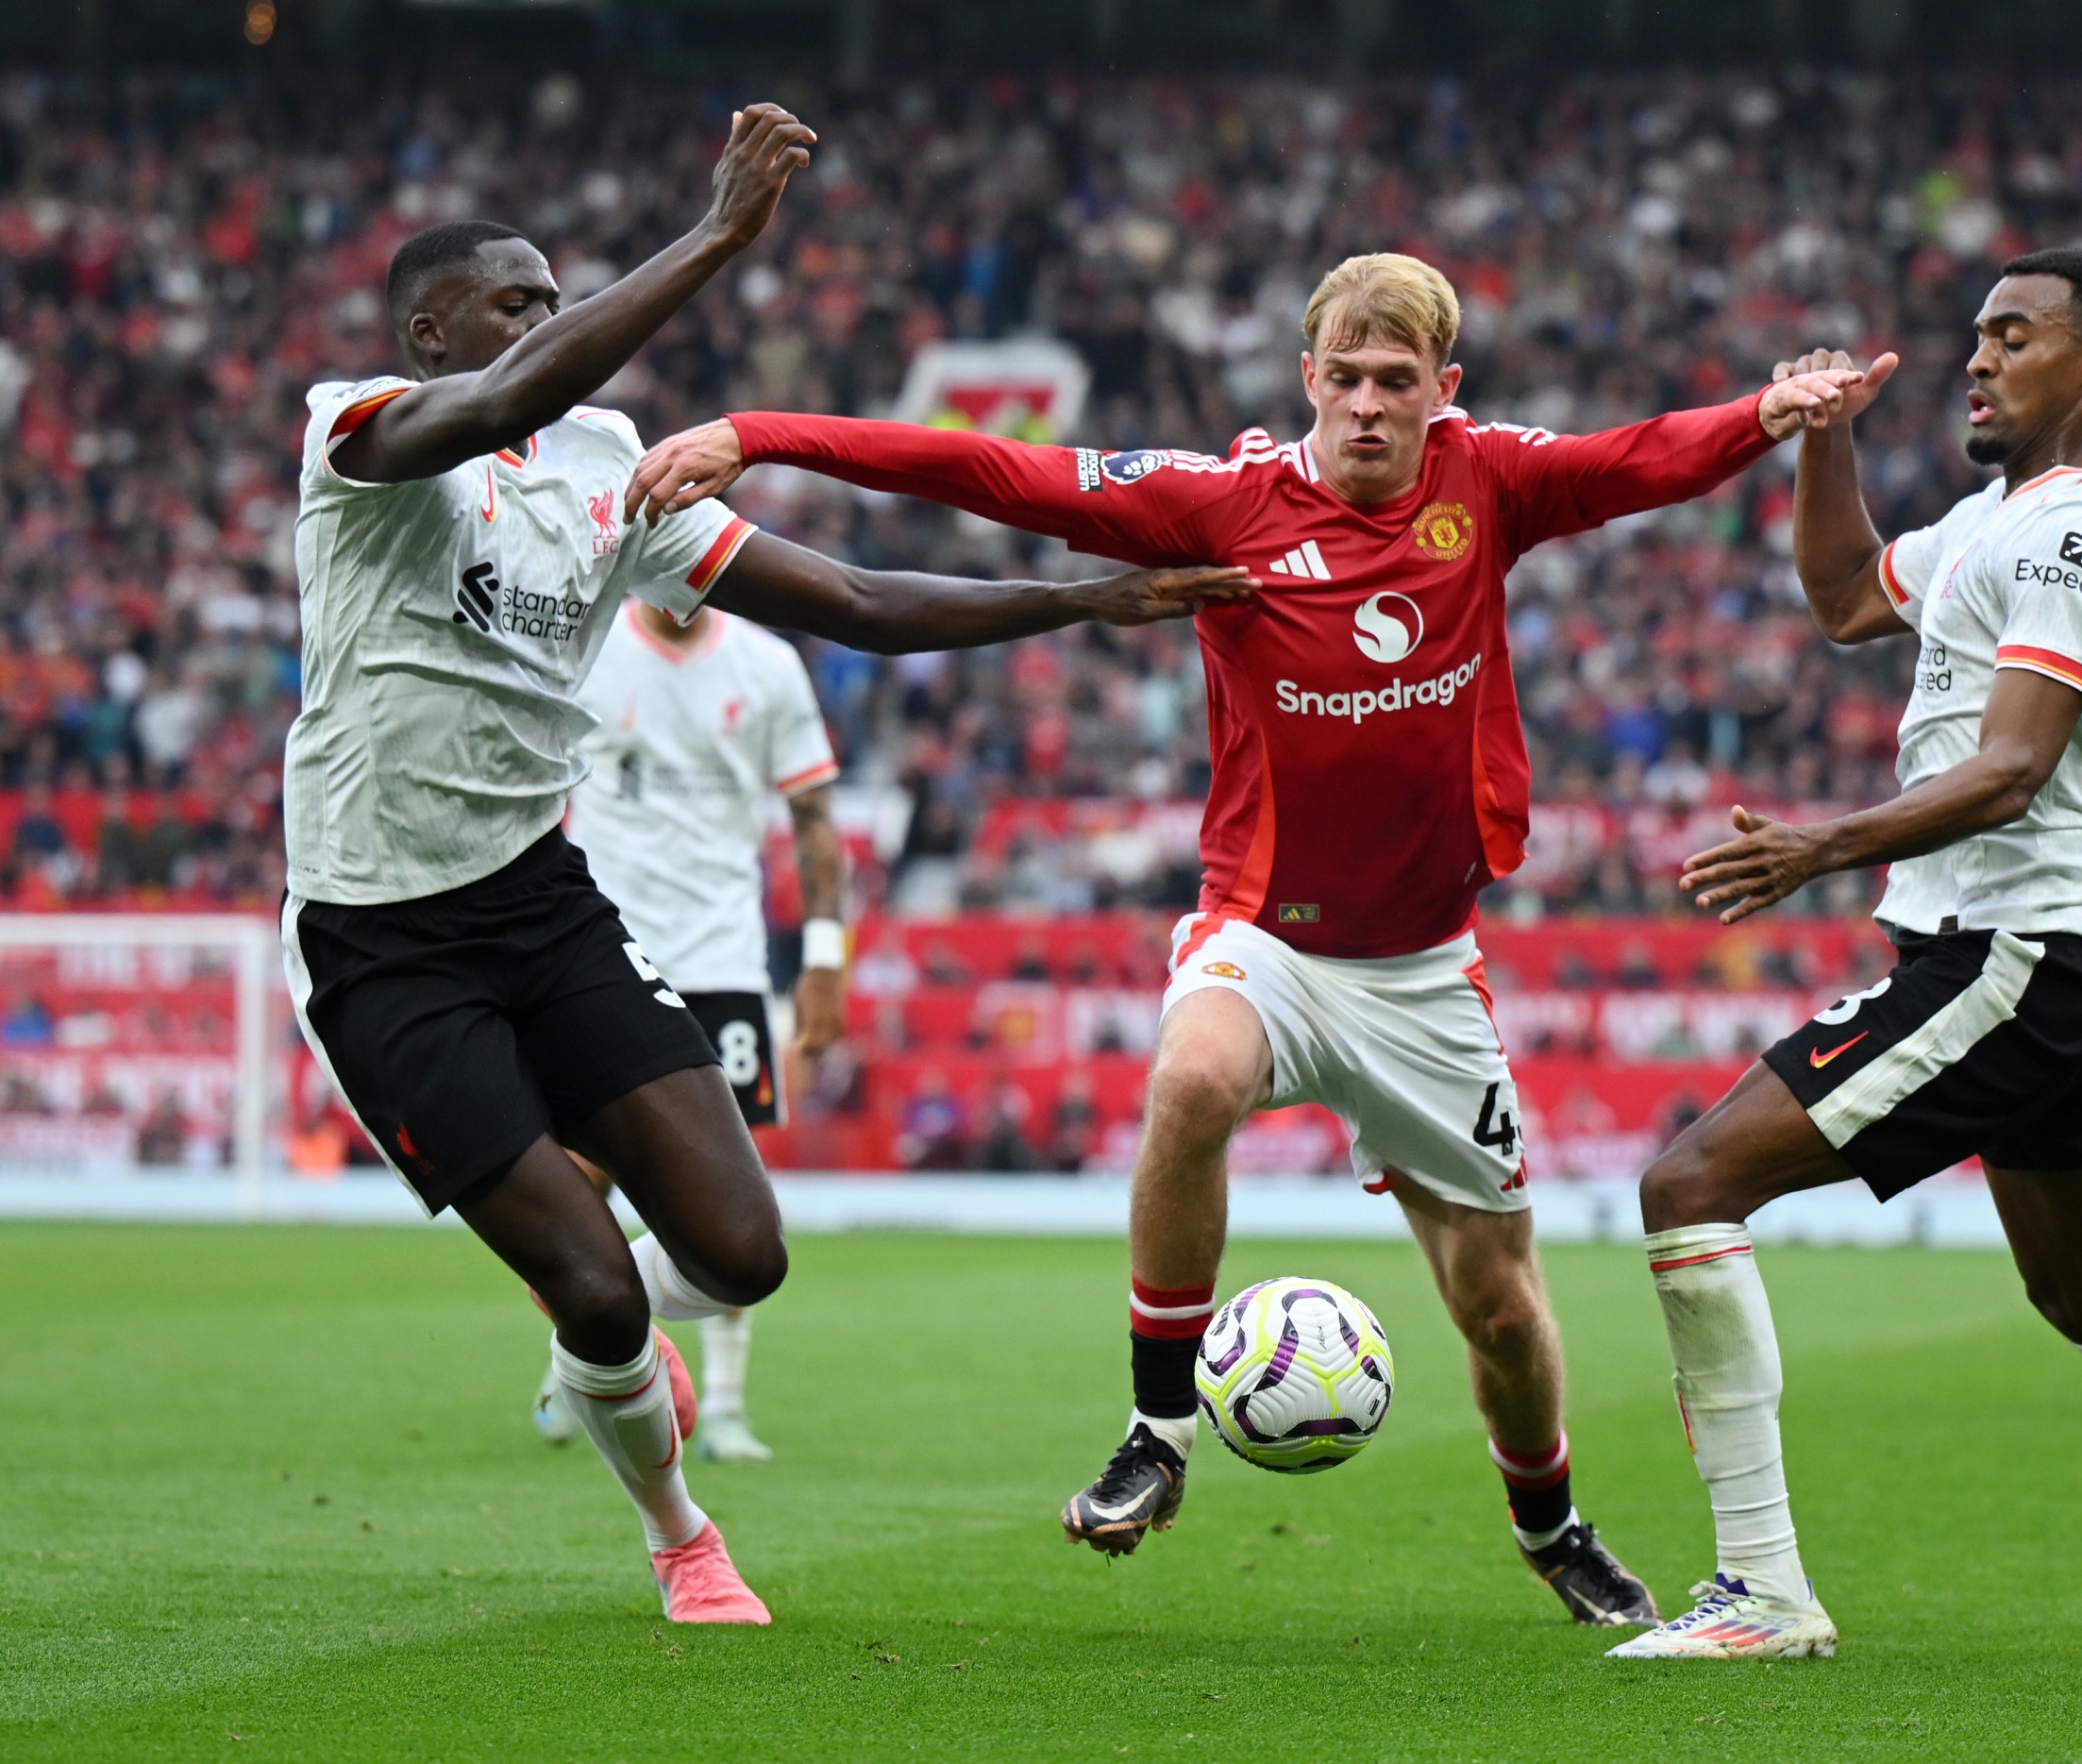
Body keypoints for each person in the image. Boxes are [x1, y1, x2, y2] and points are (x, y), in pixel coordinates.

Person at [629, 251, 1860, 1627]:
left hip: (1420, 976)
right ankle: (1159, 1434)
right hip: (1261, 935)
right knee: (1195, 1077)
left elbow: (1646, 460)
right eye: (1346, 378)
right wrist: (757, 434)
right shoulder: (1221, 506)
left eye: (1400, 382)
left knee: (1502, 1307)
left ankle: (1550, 1519)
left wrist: (1771, 415)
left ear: (1444, 392)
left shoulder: (1491, 484)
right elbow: (985, 470)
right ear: (1308, 379)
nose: (1371, 405)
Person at [281, 104, 1248, 1625]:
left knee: (741, 1253)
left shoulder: (607, 463)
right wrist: (722, 236)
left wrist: (1091, 603)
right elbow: (500, 400)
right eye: (516, 299)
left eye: (553, 294)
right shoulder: (365, 434)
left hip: (540, 902)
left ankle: (641, 1371)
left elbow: (853, 595)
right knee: (595, 1287)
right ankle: (680, 1532)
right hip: (381, 932)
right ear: (427, 327)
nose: (546, 319)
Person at [1604, 250, 2082, 1660]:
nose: (1976, 357)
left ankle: (1763, 1594)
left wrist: (1816, 846)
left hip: (2011, 949)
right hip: (2059, 953)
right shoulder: (1990, 518)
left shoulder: (2079, 530)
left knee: (1689, 1181)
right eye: (1975, 336)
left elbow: (2014, 767)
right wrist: (1821, 435)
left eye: (2011, 336)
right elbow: (1842, 594)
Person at [528, 596, 852, 1462]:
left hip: (724, 962)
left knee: (725, 1184)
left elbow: (814, 820)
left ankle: (730, 1404)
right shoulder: (588, 648)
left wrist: (823, 956)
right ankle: (584, 1354)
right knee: (576, 1176)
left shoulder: (767, 664)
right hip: (602, 952)